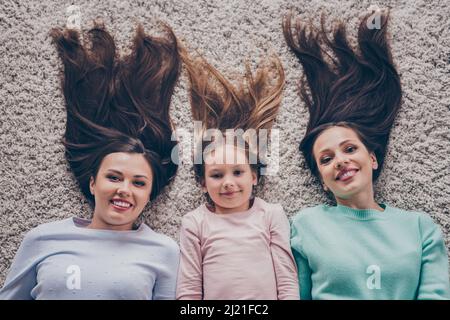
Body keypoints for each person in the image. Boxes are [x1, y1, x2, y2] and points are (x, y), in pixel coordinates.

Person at [0, 22, 181, 300]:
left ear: (149, 194)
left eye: (139, 182)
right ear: (93, 183)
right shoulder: (42, 239)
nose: (124, 189)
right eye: (114, 177)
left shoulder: (164, 251)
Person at [283, 10, 450, 299]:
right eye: (326, 159)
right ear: (322, 180)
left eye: (349, 148)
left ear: (372, 159)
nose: (340, 160)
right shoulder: (306, 225)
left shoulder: (420, 228)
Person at [175, 48, 299, 300]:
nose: (228, 183)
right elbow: (188, 290)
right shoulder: (195, 223)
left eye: (238, 172)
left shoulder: (271, 215)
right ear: (202, 183)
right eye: (217, 175)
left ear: (254, 176)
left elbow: (287, 282)